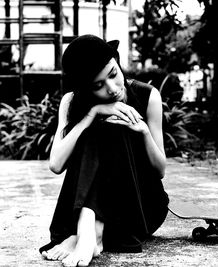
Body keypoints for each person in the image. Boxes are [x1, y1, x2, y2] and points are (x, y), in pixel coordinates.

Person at [39, 34, 169, 267]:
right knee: (97, 126)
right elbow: (56, 164)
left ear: (117, 63)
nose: (112, 89)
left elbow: (160, 170)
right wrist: (92, 113)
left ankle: (87, 231)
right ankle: (91, 228)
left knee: (116, 123)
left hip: (142, 205)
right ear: (85, 89)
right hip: (100, 207)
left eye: (113, 74)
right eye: (98, 86)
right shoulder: (71, 102)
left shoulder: (149, 96)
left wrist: (144, 132)